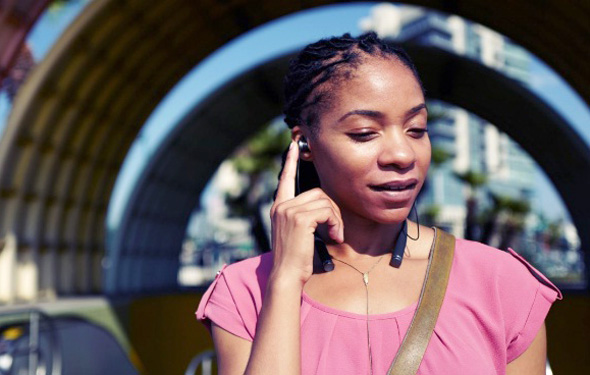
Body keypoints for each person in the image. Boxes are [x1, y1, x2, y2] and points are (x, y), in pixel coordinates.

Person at [195, 32, 561, 375]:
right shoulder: (245, 292)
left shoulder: (501, 283)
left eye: (416, 129)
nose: (403, 154)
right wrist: (286, 280)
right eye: (365, 133)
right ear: (304, 143)